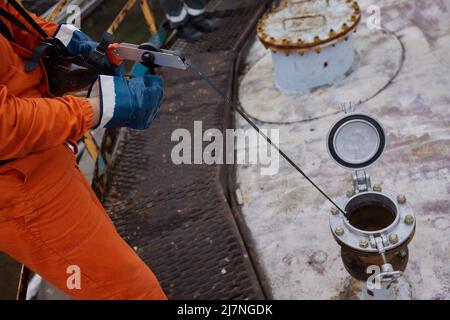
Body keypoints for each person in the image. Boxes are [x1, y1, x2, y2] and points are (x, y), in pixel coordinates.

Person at [0, 1, 166, 300]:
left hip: (45, 149)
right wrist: (100, 107)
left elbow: (7, 16)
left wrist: (69, 41)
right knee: (135, 292)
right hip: (21, 190)